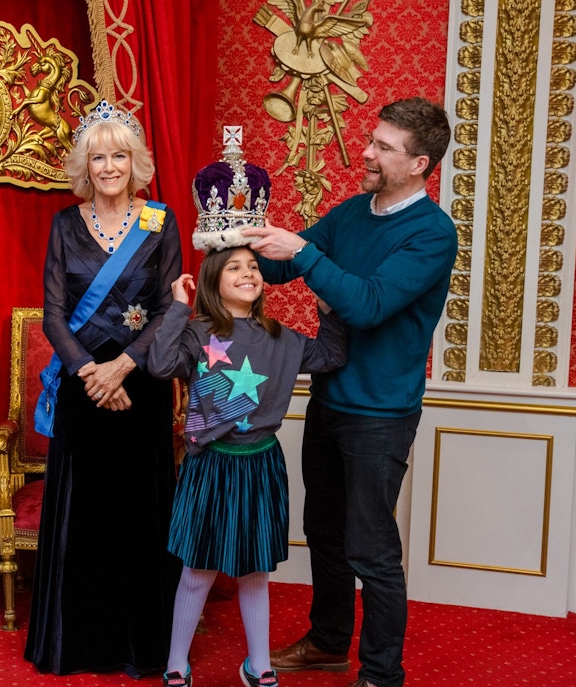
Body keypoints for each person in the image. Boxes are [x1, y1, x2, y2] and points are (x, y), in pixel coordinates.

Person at [242, 97, 456, 687]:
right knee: (326, 534)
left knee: (372, 549)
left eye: (384, 146)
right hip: (330, 400)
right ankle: (329, 642)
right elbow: (285, 267)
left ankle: (382, 675)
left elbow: (368, 305)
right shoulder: (353, 211)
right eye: (372, 139)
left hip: (381, 414)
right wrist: (237, 240)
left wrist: (305, 253)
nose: (366, 151)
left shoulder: (433, 234)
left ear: (418, 164)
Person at [149, 140, 346, 687]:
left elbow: (332, 355)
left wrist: (325, 302)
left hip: (259, 464)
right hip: (210, 464)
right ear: (212, 277)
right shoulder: (195, 333)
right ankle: (175, 663)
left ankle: (258, 665)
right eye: (234, 265)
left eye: (254, 266)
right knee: (197, 571)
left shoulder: (282, 340)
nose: (249, 273)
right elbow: (161, 365)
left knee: (256, 571)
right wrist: (176, 307)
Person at [24, 100, 183, 678]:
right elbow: (53, 313)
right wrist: (92, 372)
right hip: (82, 387)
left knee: (138, 515)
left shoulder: (159, 221)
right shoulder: (65, 225)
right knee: (83, 516)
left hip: (140, 389)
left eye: (119, 155)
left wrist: (124, 368)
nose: (109, 166)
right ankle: (78, 642)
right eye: (99, 157)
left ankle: (140, 644)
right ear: (84, 166)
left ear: (135, 162)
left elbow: (170, 309)